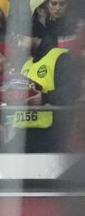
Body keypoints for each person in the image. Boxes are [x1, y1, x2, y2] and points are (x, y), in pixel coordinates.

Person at [17, 20, 79, 152]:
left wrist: (45, 98)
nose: (19, 44)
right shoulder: (26, 65)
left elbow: (73, 89)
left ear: (33, 34)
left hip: (51, 133)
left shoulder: (60, 57)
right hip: (24, 133)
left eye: (21, 39)